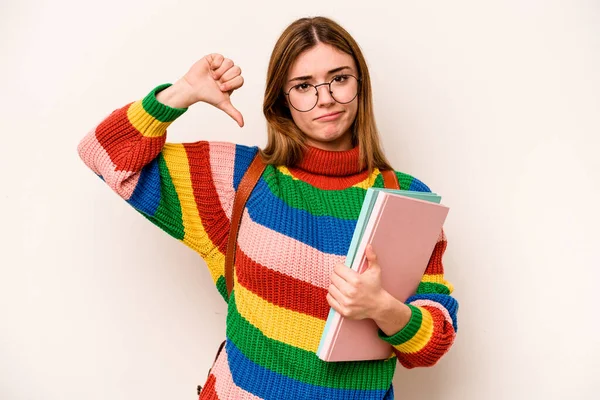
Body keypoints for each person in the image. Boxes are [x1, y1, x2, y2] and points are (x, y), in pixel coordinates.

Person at [78, 16, 458, 400]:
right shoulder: (238, 180)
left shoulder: (404, 198)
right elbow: (102, 153)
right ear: (282, 99)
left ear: (361, 87)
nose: (325, 97)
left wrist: (381, 308)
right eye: (304, 86)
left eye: (340, 78)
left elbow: (433, 342)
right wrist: (182, 93)